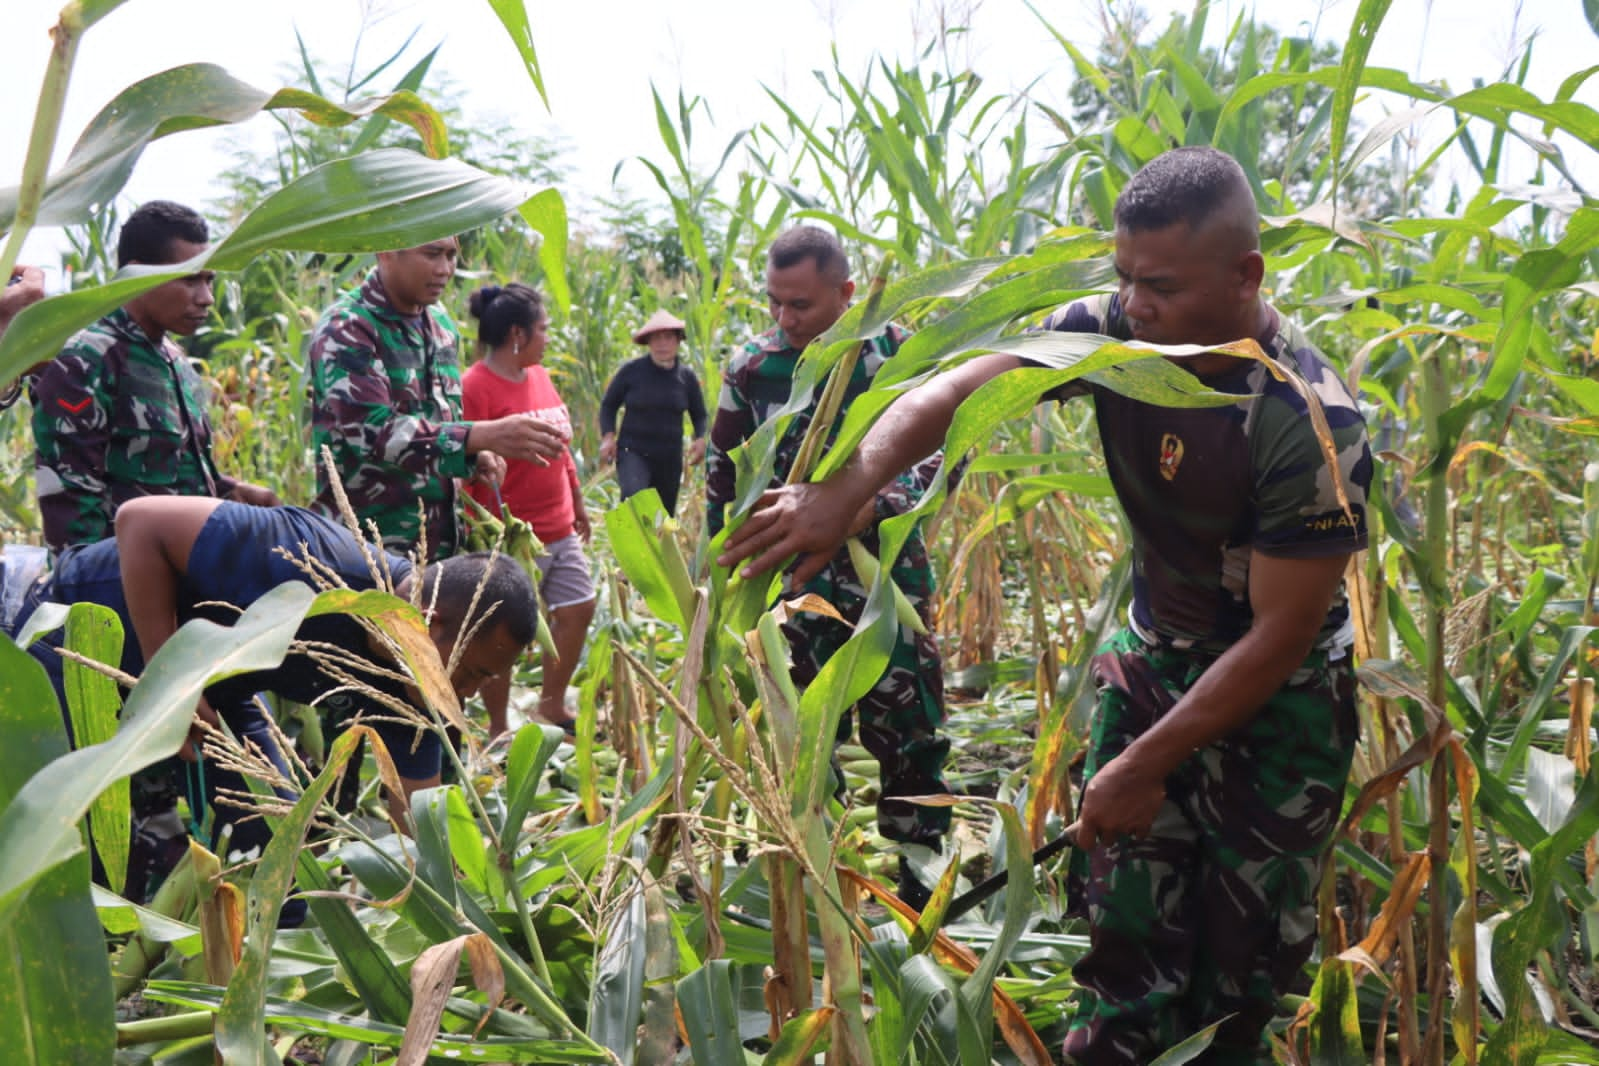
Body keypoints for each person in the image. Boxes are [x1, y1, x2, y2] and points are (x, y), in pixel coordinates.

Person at [720, 148, 1372, 1064]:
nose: (1135, 306)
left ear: (1245, 276)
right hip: (1157, 658)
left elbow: (1281, 633)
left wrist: (1142, 765)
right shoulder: (1112, 330)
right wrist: (849, 488)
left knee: (1240, 972)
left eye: (1162, 287)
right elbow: (953, 387)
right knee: (1121, 937)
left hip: (1279, 700)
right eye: (1124, 278)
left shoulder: (1305, 421)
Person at [15, 496, 538, 874]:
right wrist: (170, 680)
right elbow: (140, 522)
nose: (463, 694)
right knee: (68, 846)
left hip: (219, 684)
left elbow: (418, 812)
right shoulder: (312, 561)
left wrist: (476, 891)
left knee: (283, 854)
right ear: (431, 619)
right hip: (79, 635)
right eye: (469, 674)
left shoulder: (414, 679)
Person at [705, 224, 953, 907]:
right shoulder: (753, 366)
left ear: (846, 293)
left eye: (802, 306)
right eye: (774, 303)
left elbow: (946, 452)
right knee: (795, 735)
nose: (785, 321)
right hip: (786, 582)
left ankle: (921, 875)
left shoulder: (903, 355)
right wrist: (717, 566)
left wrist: (870, 507)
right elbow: (723, 473)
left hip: (885, 577)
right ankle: (812, 876)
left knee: (909, 729)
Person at [31, 201, 279, 555]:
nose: (207, 298)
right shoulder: (84, 360)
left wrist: (230, 493)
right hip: (121, 580)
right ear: (139, 274)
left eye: (210, 280)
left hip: (185, 563)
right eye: (190, 279)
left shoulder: (174, 359)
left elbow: (176, 478)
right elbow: (74, 521)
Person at [306, 236, 565, 561]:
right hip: (368, 550)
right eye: (431, 254)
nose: (445, 269)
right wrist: (482, 434)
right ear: (386, 251)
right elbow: (373, 433)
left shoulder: (440, 325)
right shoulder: (348, 328)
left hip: (440, 544)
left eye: (451, 256)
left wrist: (472, 455)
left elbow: (439, 422)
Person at [461, 283, 595, 734]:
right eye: (543, 329)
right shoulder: (474, 387)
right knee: (504, 633)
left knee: (579, 607)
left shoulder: (538, 375)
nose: (549, 338)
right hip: (510, 535)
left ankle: (551, 707)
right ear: (518, 334)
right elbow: (462, 464)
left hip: (559, 525)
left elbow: (561, 445)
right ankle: (498, 727)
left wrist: (577, 499)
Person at [598, 308, 708, 516]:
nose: (662, 344)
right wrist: (608, 436)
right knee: (634, 499)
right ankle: (628, 547)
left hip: (669, 457)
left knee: (663, 516)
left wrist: (701, 439)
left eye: (667, 338)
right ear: (648, 342)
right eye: (656, 339)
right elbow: (608, 404)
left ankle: (657, 549)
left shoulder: (686, 378)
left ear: (678, 340)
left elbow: (700, 414)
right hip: (634, 451)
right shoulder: (631, 372)